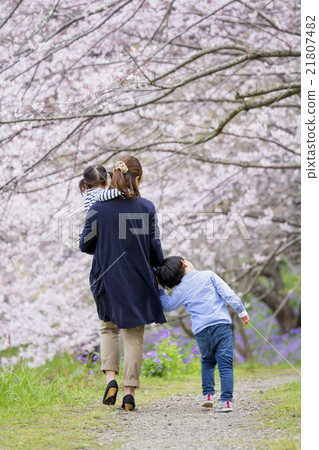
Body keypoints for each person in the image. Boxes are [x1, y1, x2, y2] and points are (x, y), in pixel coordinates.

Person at [79, 156, 166, 411]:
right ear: (136, 178)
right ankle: (129, 393)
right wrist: (161, 268)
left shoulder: (98, 208)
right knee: (134, 334)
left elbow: (85, 244)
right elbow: (154, 247)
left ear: (114, 177)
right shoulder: (147, 207)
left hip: (106, 276)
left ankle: (111, 380)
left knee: (109, 328)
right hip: (138, 277)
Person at [157, 256, 250, 412]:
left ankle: (207, 396)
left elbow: (167, 306)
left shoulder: (180, 290)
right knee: (225, 365)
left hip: (201, 331)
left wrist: (159, 289)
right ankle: (226, 402)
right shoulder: (208, 275)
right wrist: (241, 311)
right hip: (221, 326)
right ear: (184, 262)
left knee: (207, 362)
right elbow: (229, 294)